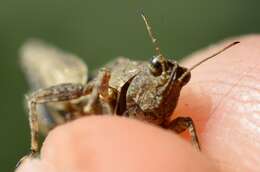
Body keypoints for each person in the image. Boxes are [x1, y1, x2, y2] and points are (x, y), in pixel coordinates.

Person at [16, 35, 260, 172]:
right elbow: (105, 75)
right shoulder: (108, 86)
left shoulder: (176, 118)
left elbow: (187, 126)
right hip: (85, 102)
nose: (171, 84)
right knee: (37, 96)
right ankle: (33, 148)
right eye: (157, 69)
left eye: (182, 79)